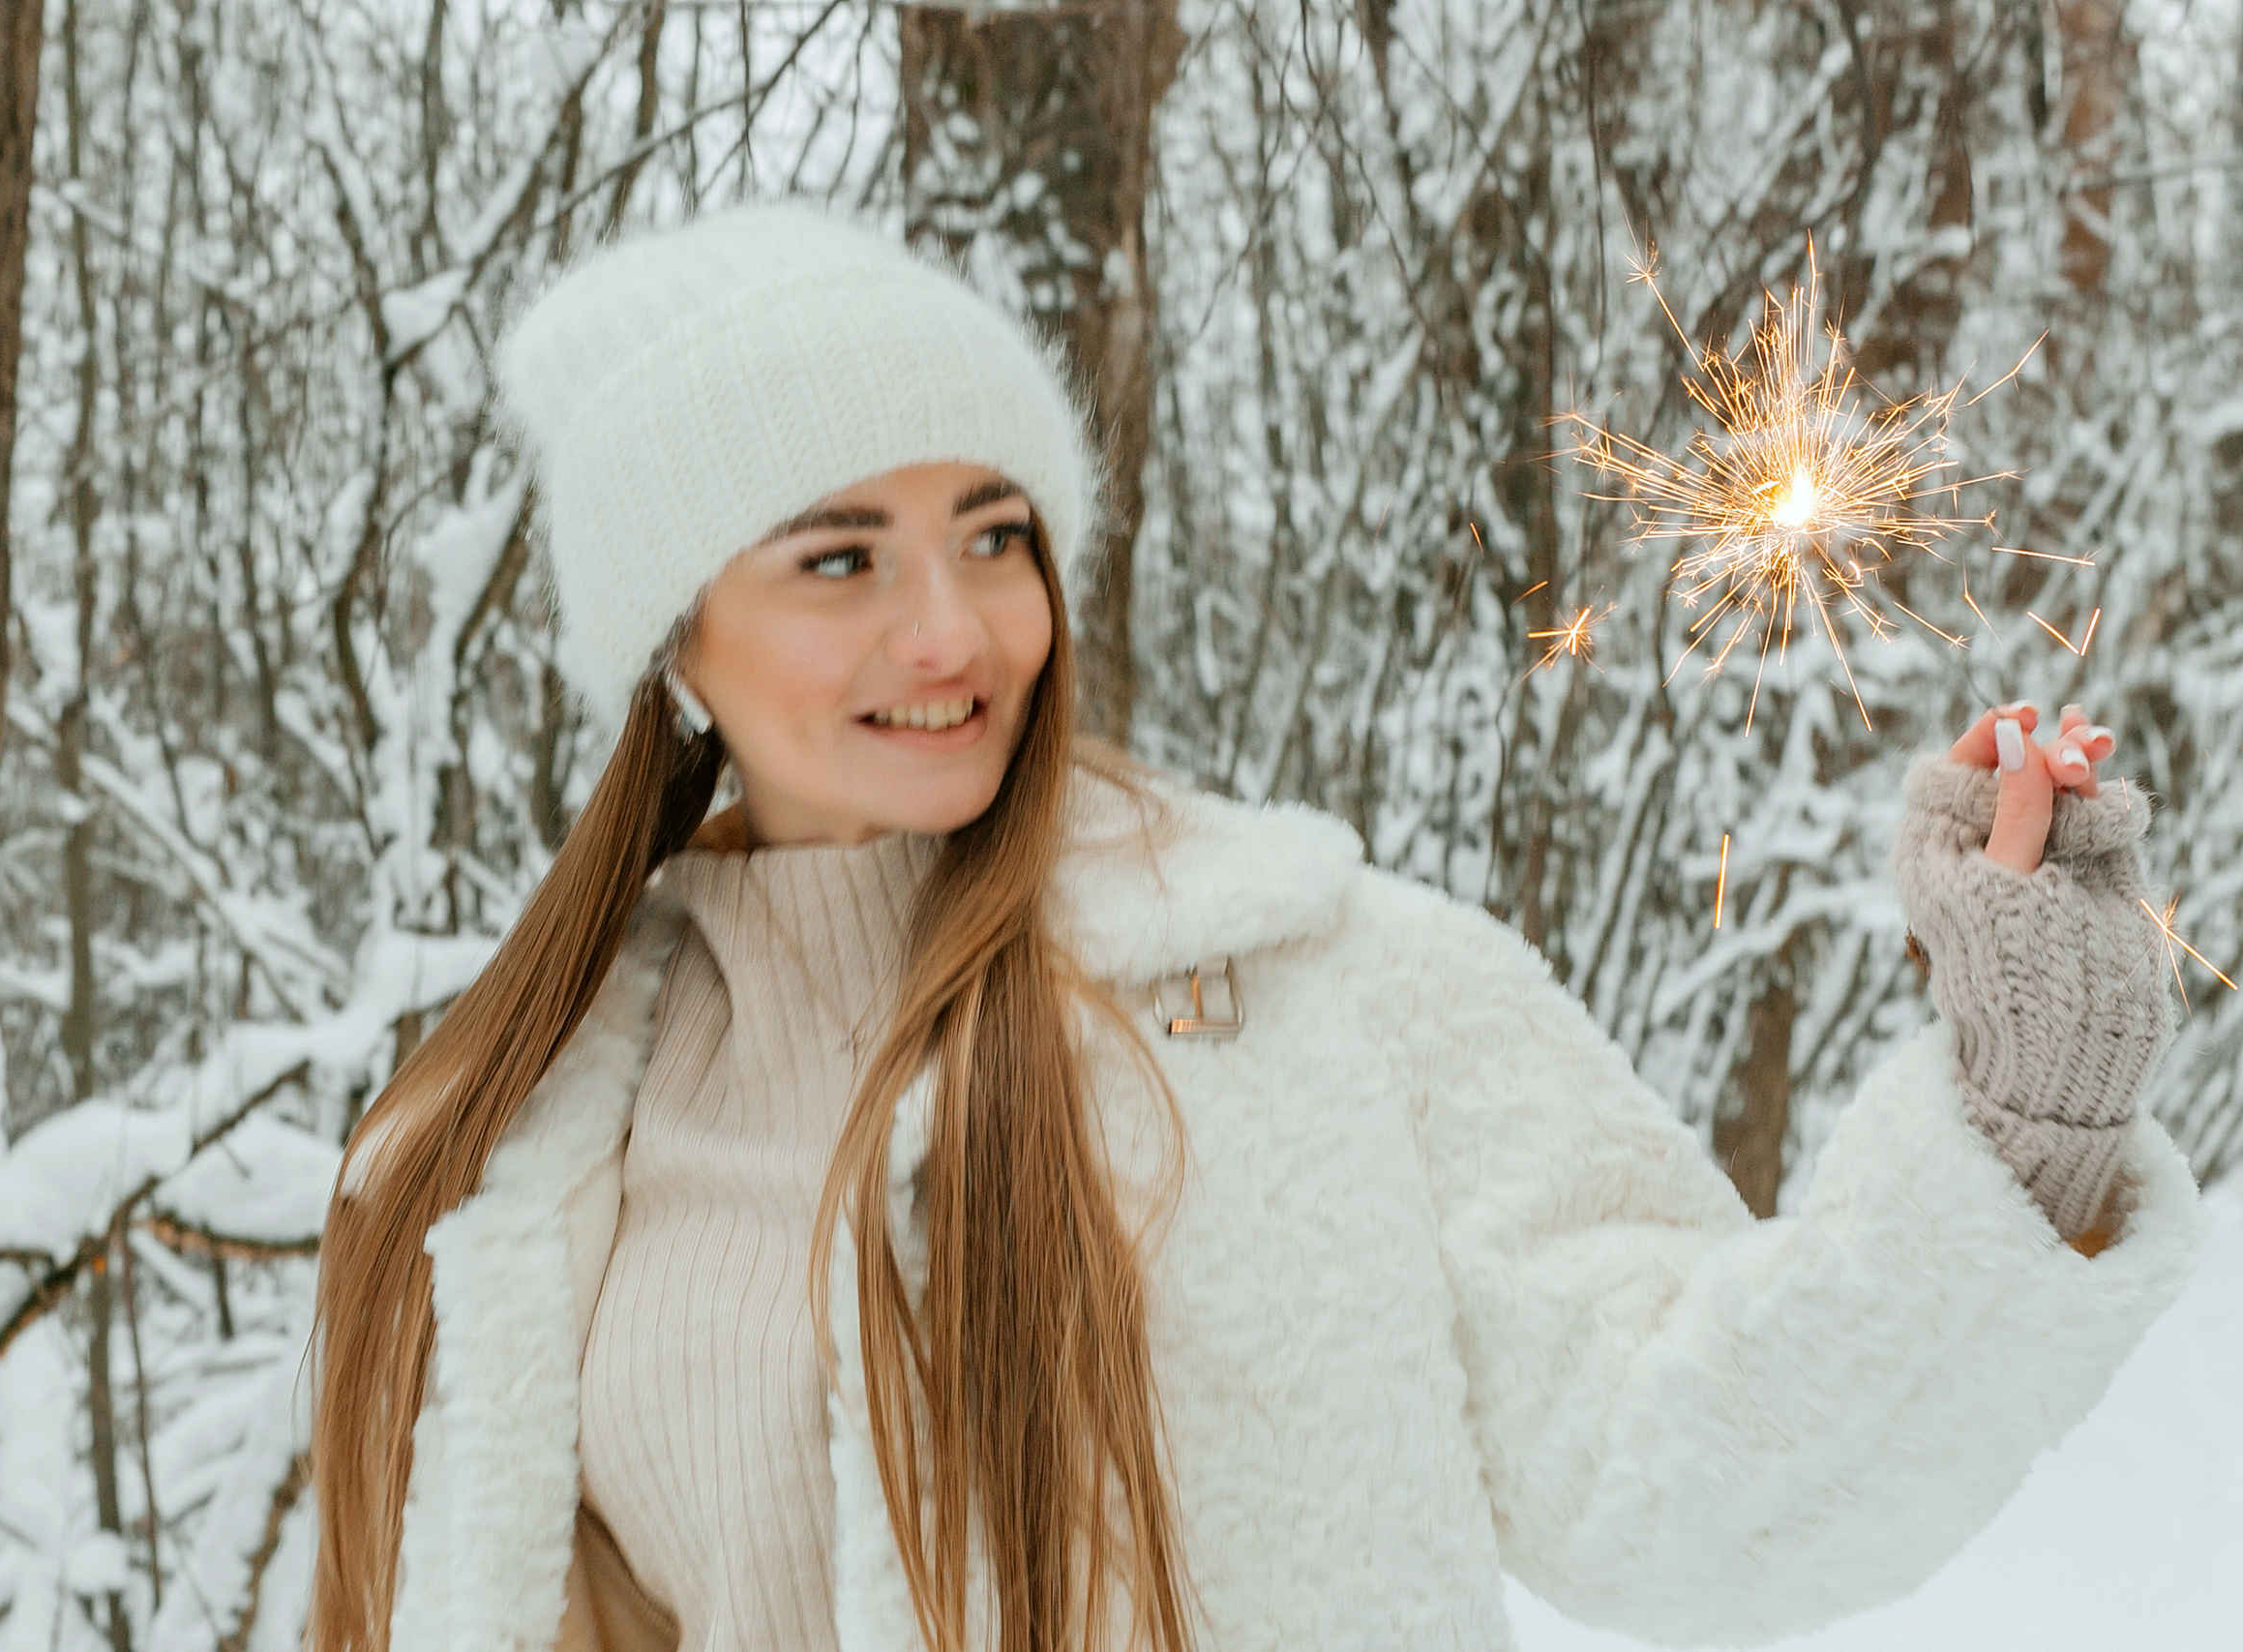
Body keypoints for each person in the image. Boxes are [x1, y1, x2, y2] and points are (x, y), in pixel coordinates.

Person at [307, 204, 2201, 1652]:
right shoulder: (501, 1161)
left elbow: (1685, 1473)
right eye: (836, 559)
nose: (952, 629)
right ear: (671, 641)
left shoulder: (1311, 989)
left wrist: (2022, 1106)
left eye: (991, 533)